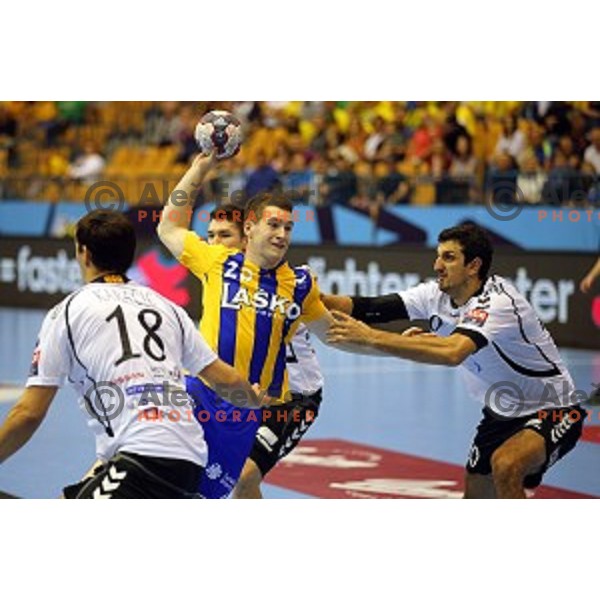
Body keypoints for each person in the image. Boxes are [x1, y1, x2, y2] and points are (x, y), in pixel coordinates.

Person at [0, 210, 263, 499]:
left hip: (142, 460)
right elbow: (227, 379)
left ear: (84, 254)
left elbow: (28, 413)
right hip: (189, 465)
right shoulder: (168, 308)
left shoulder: (67, 312)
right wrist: (252, 398)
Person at [324, 223, 586, 499]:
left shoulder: (498, 301)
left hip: (553, 406)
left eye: (448, 257)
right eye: (438, 256)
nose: (437, 265)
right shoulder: (436, 294)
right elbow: (370, 307)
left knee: (506, 465)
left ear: (473, 266)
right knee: (475, 494)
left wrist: (369, 337)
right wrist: (316, 298)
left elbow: (453, 352)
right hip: (501, 412)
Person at [158, 153, 344, 499]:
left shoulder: (300, 284)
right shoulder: (217, 262)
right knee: (166, 463)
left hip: (271, 405)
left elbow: (334, 333)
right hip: (208, 393)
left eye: (288, 227)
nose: (282, 234)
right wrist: (199, 169)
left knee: (241, 477)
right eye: (274, 225)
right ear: (250, 229)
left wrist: (388, 340)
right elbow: (168, 226)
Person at [188, 205, 324, 499]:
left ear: (247, 236)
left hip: (290, 400)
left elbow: (334, 319)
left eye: (224, 235)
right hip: (239, 395)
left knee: (243, 476)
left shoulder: (294, 283)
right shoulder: (218, 271)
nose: (214, 243)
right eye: (210, 235)